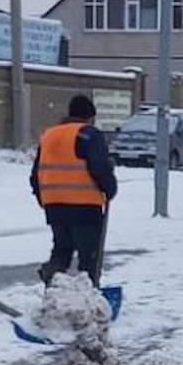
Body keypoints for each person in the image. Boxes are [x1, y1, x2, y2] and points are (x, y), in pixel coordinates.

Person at [30, 94, 118, 286]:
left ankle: (53, 282)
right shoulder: (89, 135)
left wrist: (43, 199)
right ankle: (89, 295)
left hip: (54, 205)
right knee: (89, 257)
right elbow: (99, 167)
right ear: (90, 117)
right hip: (85, 206)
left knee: (62, 249)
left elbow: (35, 173)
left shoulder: (49, 135)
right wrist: (110, 188)